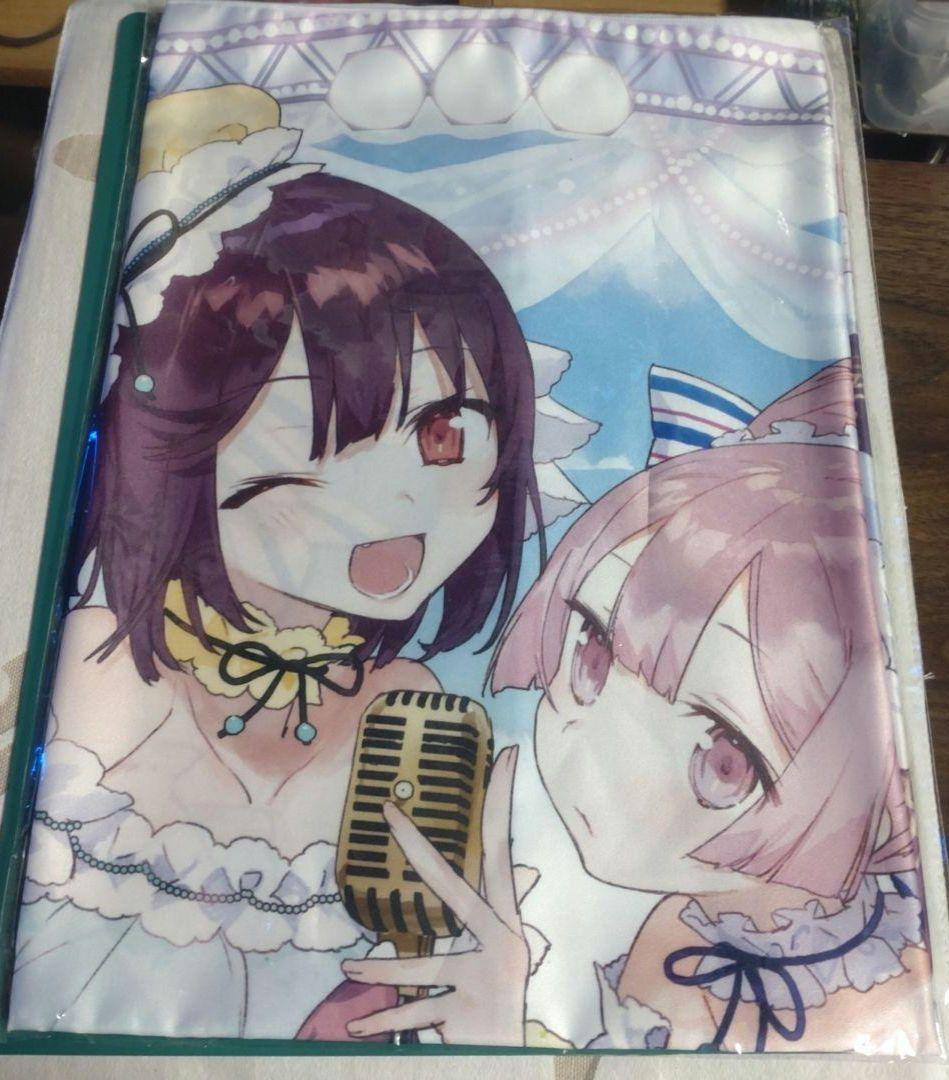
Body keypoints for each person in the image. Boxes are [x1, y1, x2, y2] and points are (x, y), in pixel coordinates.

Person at [10, 85, 591, 1039]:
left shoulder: (419, 725)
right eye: (322, 438)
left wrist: (486, 1014)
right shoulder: (84, 669)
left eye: (444, 433)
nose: (401, 502)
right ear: (180, 441)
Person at [342, 362, 937, 1054]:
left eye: (724, 761)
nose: (601, 751)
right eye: (593, 652)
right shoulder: (672, 932)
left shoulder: (902, 972)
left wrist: (498, 1035)